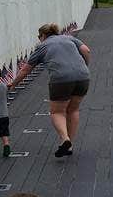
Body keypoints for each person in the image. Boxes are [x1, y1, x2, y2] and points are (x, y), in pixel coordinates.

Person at [9, 24, 90, 159]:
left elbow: (26, 69)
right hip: (83, 77)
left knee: (57, 112)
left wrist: (13, 83)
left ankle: (65, 139)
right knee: (73, 110)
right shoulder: (69, 38)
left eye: (39, 37)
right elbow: (86, 50)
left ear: (43, 35)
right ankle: (69, 145)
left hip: (61, 79)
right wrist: (85, 67)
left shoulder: (43, 46)